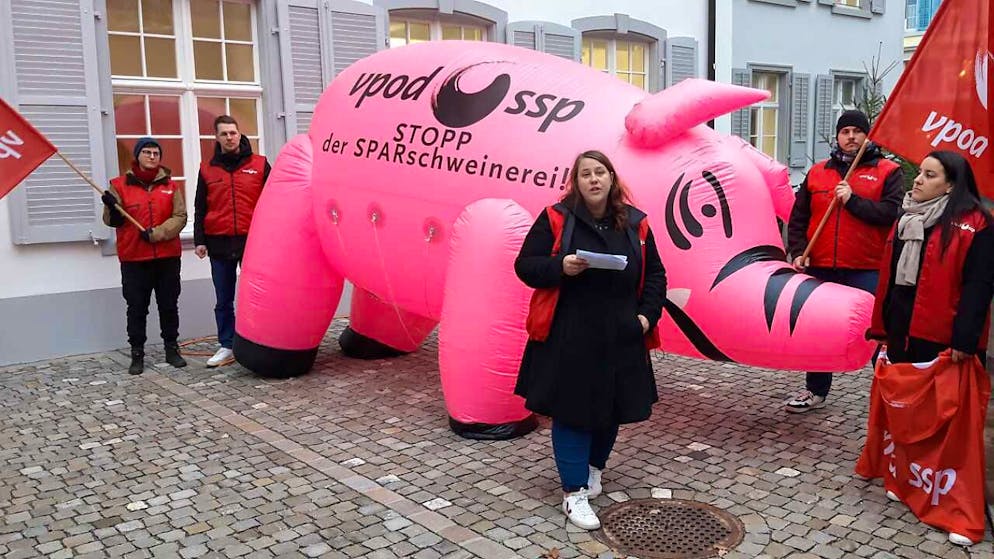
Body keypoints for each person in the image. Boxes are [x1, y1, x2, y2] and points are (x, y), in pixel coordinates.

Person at [514, 150, 666, 530]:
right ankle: (573, 492)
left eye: (600, 172)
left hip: (622, 333)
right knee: (572, 412)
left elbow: (656, 276)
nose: (594, 179)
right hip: (569, 333)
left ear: (612, 179)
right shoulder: (556, 219)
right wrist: (560, 267)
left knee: (612, 408)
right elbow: (525, 266)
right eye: (586, 174)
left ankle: (595, 470)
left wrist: (647, 317)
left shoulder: (636, 224)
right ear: (576, 182)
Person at [866, 150, 993, 546]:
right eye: (919, 172)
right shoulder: (908, 216)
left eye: (929, 175)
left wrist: (965, 338)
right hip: (903, 328)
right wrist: (883, 327)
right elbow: (891, 279)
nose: (917, 180)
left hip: (942, 335)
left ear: (952, 184)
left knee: (942, 421)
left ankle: (946, 494)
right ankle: (907, 480)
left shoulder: (977, 224)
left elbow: (978, 286)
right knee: (907, 413)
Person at [784, 110, 904, 412]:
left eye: (857, 131)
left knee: (877, 332)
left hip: (866, 267)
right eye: (845, 131)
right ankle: (815, 390)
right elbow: (798, 218)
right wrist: (798, 250)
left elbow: (890, 214)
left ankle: (890, 395)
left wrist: (853, 201)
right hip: (822, 266)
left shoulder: (887, 171)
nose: (851, 137)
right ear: (837, 136)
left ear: (867, 136)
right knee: (819, 331)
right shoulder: (818, 172)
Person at [101, 137, 188, 375]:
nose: (152, 156)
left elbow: (180, 217)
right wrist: (110, 207)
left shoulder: (171, 186)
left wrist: (158, 233)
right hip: (134, 260)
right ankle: (137, 353)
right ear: (137, 155)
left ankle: (172, 348)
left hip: (167, 258)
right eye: (147, 152)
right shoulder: (118, 185)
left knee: (169, 305)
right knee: (137, 308)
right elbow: (111, 221)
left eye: (156, 153)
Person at [193, 115, 270, 367]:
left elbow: (275, 202)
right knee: (223, 298)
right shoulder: (206, 168)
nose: (229, 137)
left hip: (253, 241)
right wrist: (199, 240)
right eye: (224, 133)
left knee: (257, 295)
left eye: (233, 133)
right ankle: (227, 344)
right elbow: (200, 207)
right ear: (216, 137)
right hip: (219, 242)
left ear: (240, 134)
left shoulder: (259, 165)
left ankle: (259, 340)